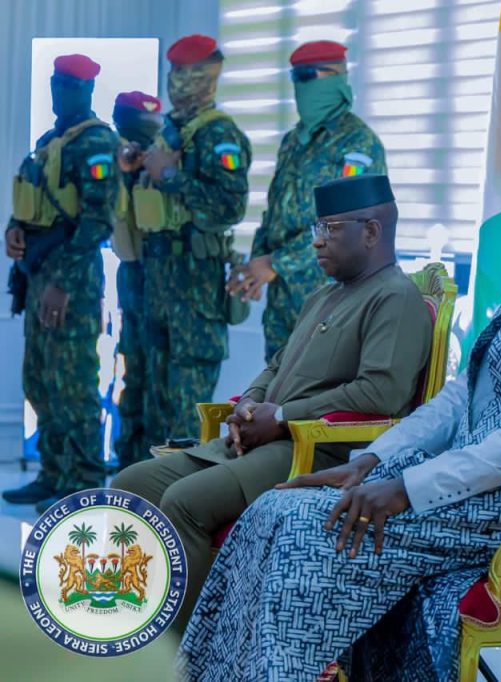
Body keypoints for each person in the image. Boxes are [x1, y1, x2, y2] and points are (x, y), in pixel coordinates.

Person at [177, 155, 501, 681]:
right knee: (277, 507)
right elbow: (458, 399)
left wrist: (410, 487)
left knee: (309, 529)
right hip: (481, 484)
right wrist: (372, 460)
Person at [113, 173, 432, 632]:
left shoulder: (394, 298)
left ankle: (183, 652)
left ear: (372, 231)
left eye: (330, 230)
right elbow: (279, 364)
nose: (317, 243)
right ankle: (133, 619)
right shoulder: (326, 294)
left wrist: (282, 417)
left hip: (316, 451)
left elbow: (381, 394)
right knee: (130, 484)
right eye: (316, 230)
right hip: (265, 441)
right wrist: (253, 404)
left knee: (184, 503)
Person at [3, 55, 120, 512]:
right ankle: (53, 474)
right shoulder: (50, 141)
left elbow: (98, 221)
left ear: (87, 89)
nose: (60, 90)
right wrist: (14, 228)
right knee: (40, 380)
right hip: (37, 274)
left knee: (72, 383)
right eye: (56, 82)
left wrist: (63, 284)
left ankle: (85, 481)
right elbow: (34, 202)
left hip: (71, 279)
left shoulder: (96, 142)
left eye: (69, 84)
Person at [228, 40, 387, 363]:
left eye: (307, 76)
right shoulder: (292, 142)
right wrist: (257, 265)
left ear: (336, 77)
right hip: (284, 304)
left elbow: (348, 226)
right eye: (295, 77)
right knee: (273, 400)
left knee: (316, 405)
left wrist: (275, 263)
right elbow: (274, 213)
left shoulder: (358, 143)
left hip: (333, 302)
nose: (299, 87)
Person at [134, 34, 252, 445]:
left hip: (195, 289)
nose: (176, 82)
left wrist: (170, 176)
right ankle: (148, 501)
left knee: (186, 413)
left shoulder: (219, 135)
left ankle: (182, 505)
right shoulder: (169, 132)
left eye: (186, 74)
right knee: (156, 404)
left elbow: (229, 207)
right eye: (174, 73)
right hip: (159, 283)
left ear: (207, 78)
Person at [110, 90, 164, 470]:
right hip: (132, 279)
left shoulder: (167, 159)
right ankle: (129, 464)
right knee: (134, 375)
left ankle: (154, 467)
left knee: (161, 384)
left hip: (166, 282)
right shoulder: (116, 161)